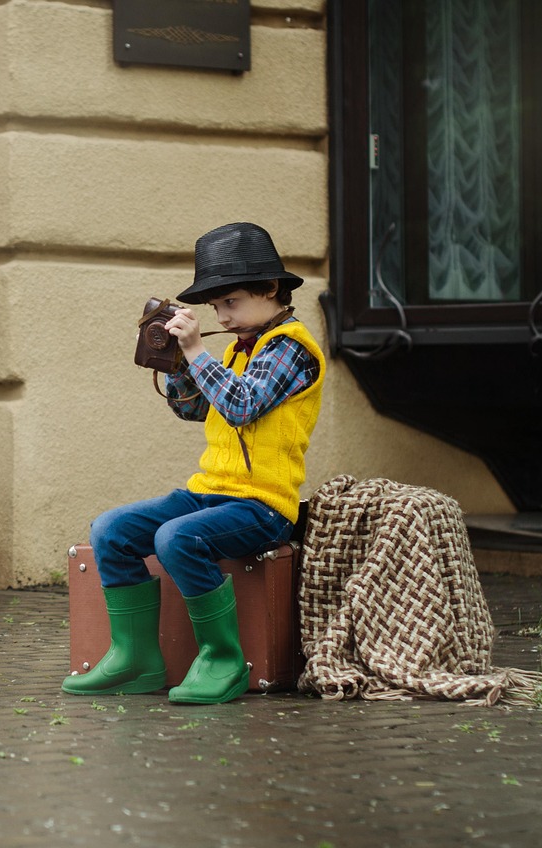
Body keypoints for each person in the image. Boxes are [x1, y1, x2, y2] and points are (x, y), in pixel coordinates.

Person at [62, 222, 325, 705]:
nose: (222, 315)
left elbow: (242, 405)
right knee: (110, 530)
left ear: (270, 290)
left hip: (263, 505)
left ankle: (222, 660)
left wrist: (197, 350)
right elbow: (193, 408)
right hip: (210, 492)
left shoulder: (292, 347)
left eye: (231, 302)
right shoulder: (239, 350)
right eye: (216, 306)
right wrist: (178, 364)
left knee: (177, 537)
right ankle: (135, 657)